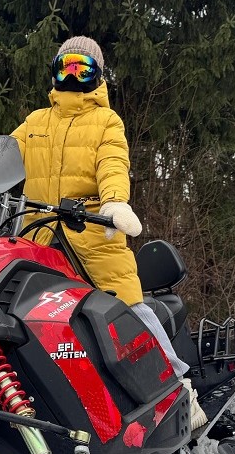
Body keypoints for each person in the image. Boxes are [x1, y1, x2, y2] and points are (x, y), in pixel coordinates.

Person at [11, 36, 207, 430]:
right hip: (38, 241)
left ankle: (179, 388)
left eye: (82, 68)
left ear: (97, 74)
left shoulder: (106, 121)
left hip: (94, 236)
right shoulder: (35, 122)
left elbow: (113, 162)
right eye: (65, 67)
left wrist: (115, 201)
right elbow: (1, 158)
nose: (72, 76)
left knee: (130, 311)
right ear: (53, 72)